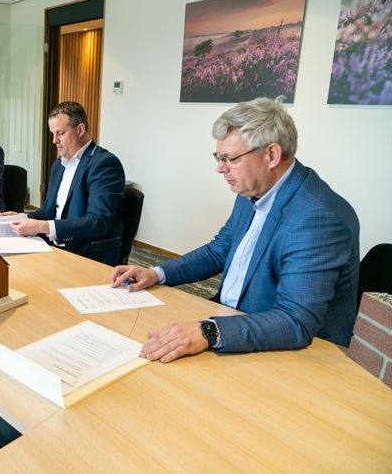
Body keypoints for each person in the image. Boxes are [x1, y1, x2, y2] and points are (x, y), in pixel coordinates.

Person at [111, 96, 359, 363]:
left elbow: (295, 320)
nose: (220, 168)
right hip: (234, 320)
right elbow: (220, 251)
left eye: (230, 158)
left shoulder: (318, 219)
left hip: (293, 353)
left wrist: (208, 330)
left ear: (271, 155)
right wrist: (156, 272)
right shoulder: (252, 189)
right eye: (219, 157)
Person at [9, 101, 125, 266]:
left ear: (80, 130)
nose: (54, 140)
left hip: (88, 256)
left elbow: (98, 222)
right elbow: (47, 211)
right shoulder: (59, 165)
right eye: (52, 134)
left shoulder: (104, 164)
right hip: (55, 249)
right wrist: (22, 217)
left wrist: (44, 227)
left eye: (60, 133)